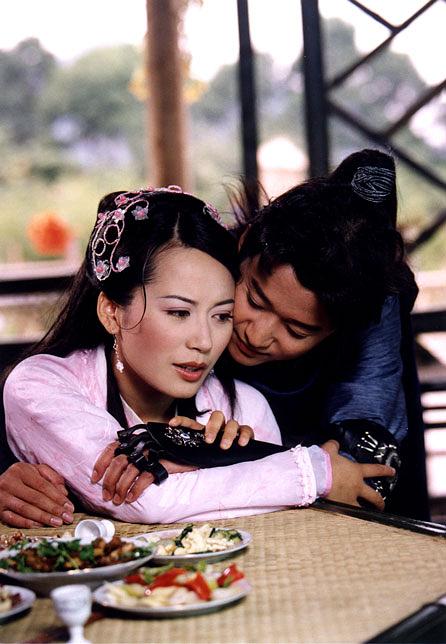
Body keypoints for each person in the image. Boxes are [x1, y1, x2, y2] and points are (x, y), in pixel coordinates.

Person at [0, 148, 410, 526]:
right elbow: (141, 497)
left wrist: (220, 456)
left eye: (297, 330)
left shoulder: (245, 403)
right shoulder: (202, 257)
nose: (255, 334)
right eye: (253, 300)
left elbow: (344, 482)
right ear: (243, 247)